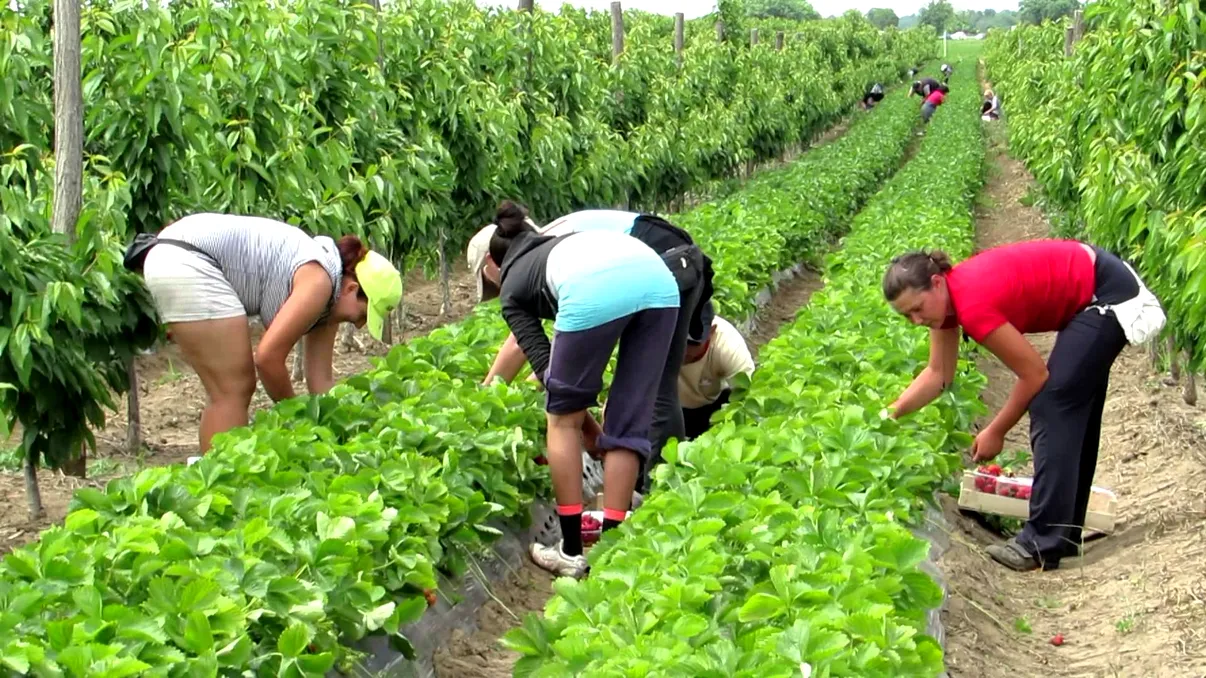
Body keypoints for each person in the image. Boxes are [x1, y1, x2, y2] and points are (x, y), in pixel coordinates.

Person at [881, 240, 1164, 572]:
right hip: (1093, 291)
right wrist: (889, 414)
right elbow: (938, 374)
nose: (916, 320)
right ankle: (1064, 531)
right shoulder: (946, 306)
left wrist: (996, 430)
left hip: (1107, 296)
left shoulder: (971, 303)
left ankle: (1040, 543)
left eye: (917, 308)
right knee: (1070, 402)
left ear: (937, 282)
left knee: (1053, 402)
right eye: (907, 316)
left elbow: (1033, 374)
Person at [482, 201, 682, 577]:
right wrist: (594, 428)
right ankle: (613, 547)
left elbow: (546, 371)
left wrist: (578, 421)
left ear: (493, 265)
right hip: (659, 280)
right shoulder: (560, 243)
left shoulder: (511, 285)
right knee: (629, 421)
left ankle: (572, 550)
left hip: (595, 284)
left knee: (560, 421)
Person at [467, 207, 712, 489]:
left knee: (651, 389)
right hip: (679, 260)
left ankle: (654, 486)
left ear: (491, 263)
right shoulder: (543, 244)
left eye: (491, 284)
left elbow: (521, 344)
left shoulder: (545, 250)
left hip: (663, 261)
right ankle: (660, 483)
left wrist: (487, 394)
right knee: (658, 385)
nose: (498, 290)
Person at [138, 213, 403, 453]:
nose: (358, 324)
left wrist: (350, 428)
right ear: (351, 289)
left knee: (227, 390)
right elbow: (267, 358)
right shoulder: (319, 280)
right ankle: (216, 484)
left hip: (176, 254)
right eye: (362, 314)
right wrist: (296, 414)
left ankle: (213, 476)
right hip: (188, 260)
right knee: (233, 389)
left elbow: (320, 381)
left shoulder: (330, 295)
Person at [678, 302, 755, 440]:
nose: (684, 349)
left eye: (692, 343)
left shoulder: (728, 346)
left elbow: (747, 397)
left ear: (711, 332)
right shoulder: (658, 341)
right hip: (669, 406)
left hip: (711, 408)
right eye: (678, 340)